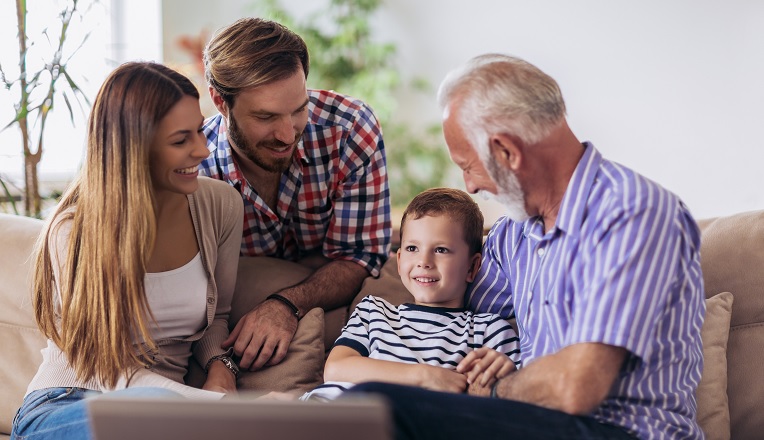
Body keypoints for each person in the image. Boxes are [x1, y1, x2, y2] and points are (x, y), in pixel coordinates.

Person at [345, 54, 706, 440]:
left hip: (623, 432)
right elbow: (447, 304)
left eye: (468, 166)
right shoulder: (511, 237)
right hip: (537, 425)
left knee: (379, 408)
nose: (469, 186)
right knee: (358, 410)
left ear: (507, 152)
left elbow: (575, 387)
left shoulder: (632, 213)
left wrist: (502, 386)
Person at [11, 62, 244, 440]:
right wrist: (209, 409)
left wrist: (221, 369)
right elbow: (109, 371)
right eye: (180, 140)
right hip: (68, 402)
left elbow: (218, 318)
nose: (203, 150)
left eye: (200, 131)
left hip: (165, 416)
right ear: (134, 149)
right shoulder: (74, 232)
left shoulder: (220, 206)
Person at [199, 17, 391, 372]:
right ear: (220, 102)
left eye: (299, 109)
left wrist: (285, 302)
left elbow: (360, 258)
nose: (288, 134)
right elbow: (201, 292)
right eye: (266, 116)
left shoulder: (350, 129)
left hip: (329, 302)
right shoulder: (197, 167)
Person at [302, 188, 520, 401]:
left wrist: (502, 381)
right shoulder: (373, 312)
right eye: (412, 248)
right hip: (330, 409)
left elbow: (515, 394)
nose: (423, 262)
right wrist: (423, 376)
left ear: (472, 267)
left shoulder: (488, 331)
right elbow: (336, 369)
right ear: (399, 260)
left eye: (441, 250)